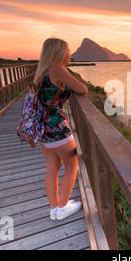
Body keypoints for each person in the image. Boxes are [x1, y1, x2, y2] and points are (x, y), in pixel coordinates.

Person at [32, 38, 88, 220]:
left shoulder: (42, 72)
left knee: (52, 167)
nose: (70, 53)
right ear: (59, 53)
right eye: (68, 50)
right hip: (58, 130)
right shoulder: (57, 69)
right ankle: (63, 207)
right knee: (72, 166)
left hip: (43, 131)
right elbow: (82, 89)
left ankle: (54, 208)